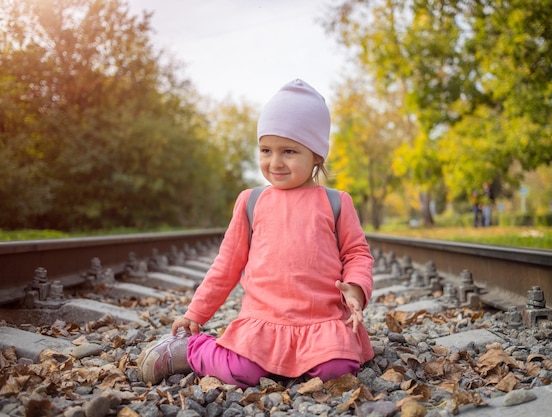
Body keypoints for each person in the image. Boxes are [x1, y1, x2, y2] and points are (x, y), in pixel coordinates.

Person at [136, 79, 375, 388]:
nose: (275, 162)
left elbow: (357, 253)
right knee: (243, 372)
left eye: (289, 151)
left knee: (337, 371)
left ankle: (313, 356)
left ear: (316, 154)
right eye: (266, 150)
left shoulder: (335, 202)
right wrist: (196, 313)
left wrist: (355, 289)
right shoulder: (252, 201)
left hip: (321, 320)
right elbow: (226, 265)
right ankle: (190, 350)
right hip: (264, 320)